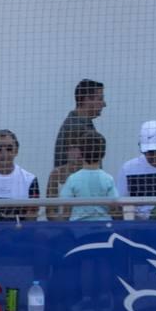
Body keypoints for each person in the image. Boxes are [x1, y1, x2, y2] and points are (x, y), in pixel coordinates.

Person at [47, 79, 105, 215]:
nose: (104, 104)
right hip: (79, 212)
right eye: (100, 98)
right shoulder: (77, 128)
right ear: (86, 99)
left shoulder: (78, 124)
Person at [59, 130, 119, 221]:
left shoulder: (73, 179)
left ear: (80, 153)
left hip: (78, 228)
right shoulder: (108, 179)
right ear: (103, 154)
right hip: (103, 226)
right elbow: (114, 206)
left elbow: (65, 205)